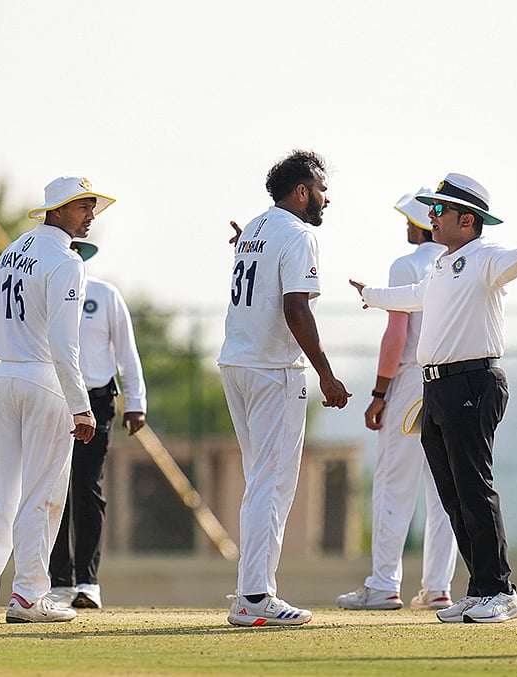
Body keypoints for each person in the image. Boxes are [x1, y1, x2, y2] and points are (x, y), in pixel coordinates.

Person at [350, 172, 517, 624]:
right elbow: (415, 296)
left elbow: (511, 262)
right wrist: (372, 295)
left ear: (467, 219)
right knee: (453, 495)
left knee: (474, 488)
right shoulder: (442, 264)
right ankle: (480, 589)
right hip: (438, 387)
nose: (432, 217)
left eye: (440, 210)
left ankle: (500, 591)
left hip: (472, 382)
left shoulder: (483, 256)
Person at [219, 150, 351, 627]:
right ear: (300, 192)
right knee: (272, 485)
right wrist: (326, 373)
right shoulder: (298, 234)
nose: (325, 198)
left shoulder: (255, 227)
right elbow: (296, 308)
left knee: (260, 482)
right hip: (273, 370)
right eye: (320, 189)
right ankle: (255, 597)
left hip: (237, 362)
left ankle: (250, 590)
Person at [0, 176, 111, 623]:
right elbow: (63, 341)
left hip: (9, 377)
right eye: (81, 207)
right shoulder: (66, 261)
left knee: (2, 489)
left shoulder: (13, 250)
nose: (90, 215)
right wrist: (81, 404)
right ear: (56, 211)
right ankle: (29, 595)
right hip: (44, 380)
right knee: (44, 492)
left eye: (92, 207)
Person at [337, 189, 458, 612]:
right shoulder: (456, 262)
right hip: (451, 381)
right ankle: (438, 587)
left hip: (410, 382)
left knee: (394, 483)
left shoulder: (406, 264)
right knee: (444, 489)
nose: (406, 226)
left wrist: (379, 393)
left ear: (424, 224)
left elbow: (396, 334)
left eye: (410, 220)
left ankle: (384, 584)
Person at [47, 242, 147, 610]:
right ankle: (59, 581)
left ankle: (87, 582)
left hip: (97, 399)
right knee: (53, 488)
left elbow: (126, 351)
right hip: (53, 398)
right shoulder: (44, 296)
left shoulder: (104, 296)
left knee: (88, 487)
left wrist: (135, 402)